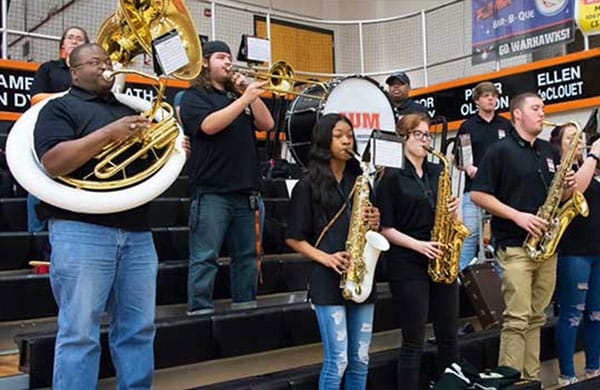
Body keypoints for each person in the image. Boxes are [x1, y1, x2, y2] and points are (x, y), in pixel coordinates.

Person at [34, 43, 159, 389]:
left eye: (108, 61)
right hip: (81, 230)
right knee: (79, 332)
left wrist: (173, 150)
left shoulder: (128, 108)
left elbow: (152, 168)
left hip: (137, 231)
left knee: (139, 329)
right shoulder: (58, 109)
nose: (106, 66)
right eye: (95, 62)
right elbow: (54, 162)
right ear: (74, 71)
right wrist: (108, 134)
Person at [470, 92, 576, 380]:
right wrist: (517, 215)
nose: (542, 113)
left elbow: (561, 196)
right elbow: (478, 193)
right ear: (517, 114)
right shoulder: (499, 150)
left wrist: (567, 186)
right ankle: (511, 380)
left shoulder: (548, 151)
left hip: (547, 247)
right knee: (517, 320)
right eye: (535, 108)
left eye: (543, 108)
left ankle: (532, 380)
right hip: (516, 247)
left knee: (537, 318)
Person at [285, 113, 381, 389]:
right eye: (339, 135)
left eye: (349, 135)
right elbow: (293, 237)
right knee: (337, 360)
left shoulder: (360, 179)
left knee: (360, 359)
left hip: (360, 275)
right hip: (327, 279)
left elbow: (371, 225)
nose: (346, 141)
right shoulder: (307, 185)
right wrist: (326, 258)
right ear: (324, 139)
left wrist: (375, 220)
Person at [179, 40, 274, 314]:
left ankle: (245, 310)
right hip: (211, 191)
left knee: (247, 258)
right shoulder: (194, 97)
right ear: (206, 63)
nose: (228, 62)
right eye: (221, 57)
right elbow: (208, 126)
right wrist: (244, 99)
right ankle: (199, 312)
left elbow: (266, 124)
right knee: (205, 257)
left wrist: (247, 94)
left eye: (230, 57)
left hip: (247, 192)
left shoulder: (238, 96)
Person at [377, 112, 460, 389]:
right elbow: (385, 228)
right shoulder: (391, 176)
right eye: (418, 134)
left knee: (449, 336)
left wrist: (453, 213)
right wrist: (419, 246)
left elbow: (450, 220)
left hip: (440, 256)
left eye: (427, 134)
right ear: (404, 137)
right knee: (414, 341)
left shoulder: (439, 171)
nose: (425, 140)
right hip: (407, 261)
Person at [550, 125, 600, 385]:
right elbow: (577, 190)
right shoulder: (561, 169)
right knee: (572, 313)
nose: (578, 142)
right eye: (571, 138)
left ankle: (594, 368)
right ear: (558, 143)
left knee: (596, 313)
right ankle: (566, 374)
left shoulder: (590, 167)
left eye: (580, 138)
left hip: (597, 250)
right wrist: (593, 156)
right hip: (574, 251)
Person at [28, 26, 89, 233]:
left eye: (79, 39)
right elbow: (35, 98)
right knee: (38, 181)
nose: (74, 41)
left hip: (80, 133)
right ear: (62, 43)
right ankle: (36, 235)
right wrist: (70, 98)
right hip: (50, 131)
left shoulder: (90, 74)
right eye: (70, 37)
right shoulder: (48, 68)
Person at [454, 81, 512, 270]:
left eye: (494, 95)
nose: (491, 99)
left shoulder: (506, 124)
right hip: (474, 189)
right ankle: (458, 281)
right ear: (477, 100)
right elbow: (460, 158)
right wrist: (469, 167)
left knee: (500, 238)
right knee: (470, 236)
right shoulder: (467, 126)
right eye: (486, 96)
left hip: (502, 192)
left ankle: (499, 286)